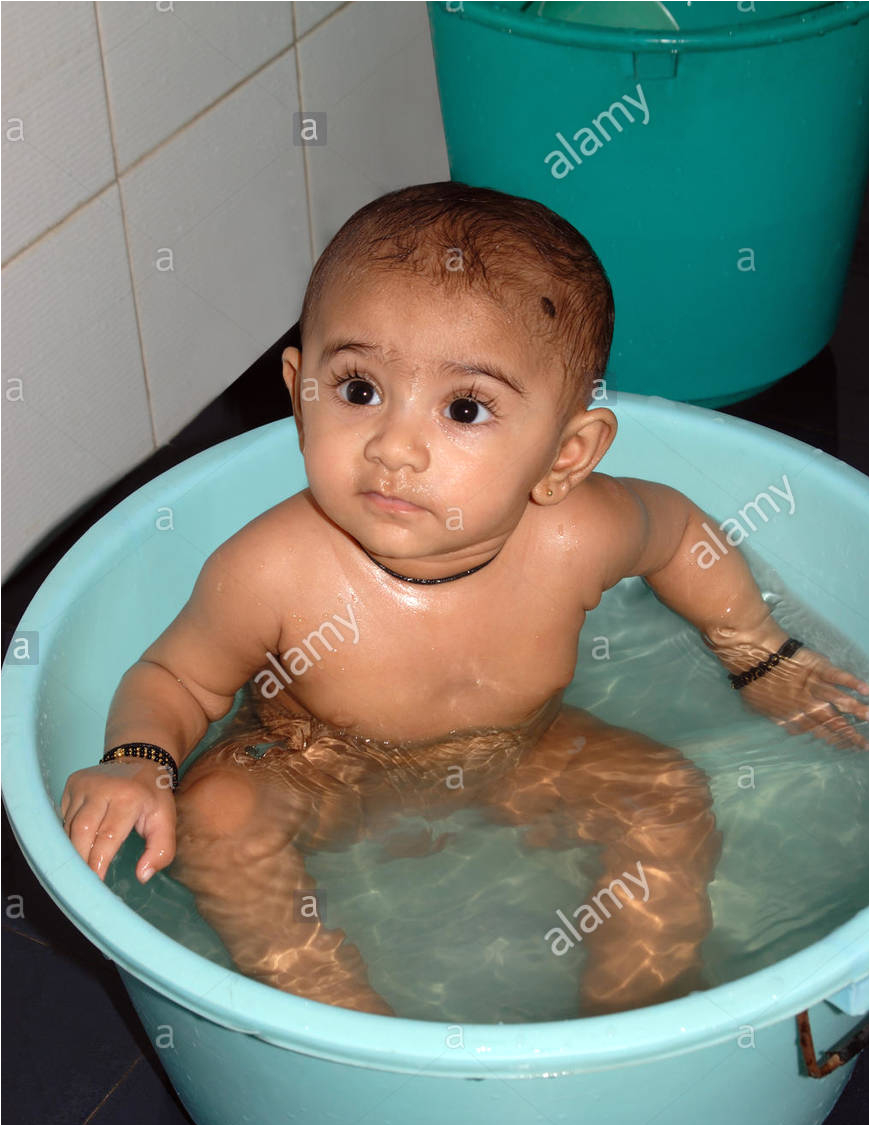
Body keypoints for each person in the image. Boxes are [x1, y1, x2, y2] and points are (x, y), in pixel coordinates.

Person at [60, 183, 869, 1018]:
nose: (396, 448)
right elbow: (176, 679)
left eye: (465, 407)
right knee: (219, 816)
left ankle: (639, 1006)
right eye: (359, 389)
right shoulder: (273, 570)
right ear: (299, 394)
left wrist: (757, 650)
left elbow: (679, 535)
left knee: (668, 794)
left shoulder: (574, 537)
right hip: (314, 764)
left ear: (565, 454)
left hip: (519, 750)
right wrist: (139, 763)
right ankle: (335, 1016)